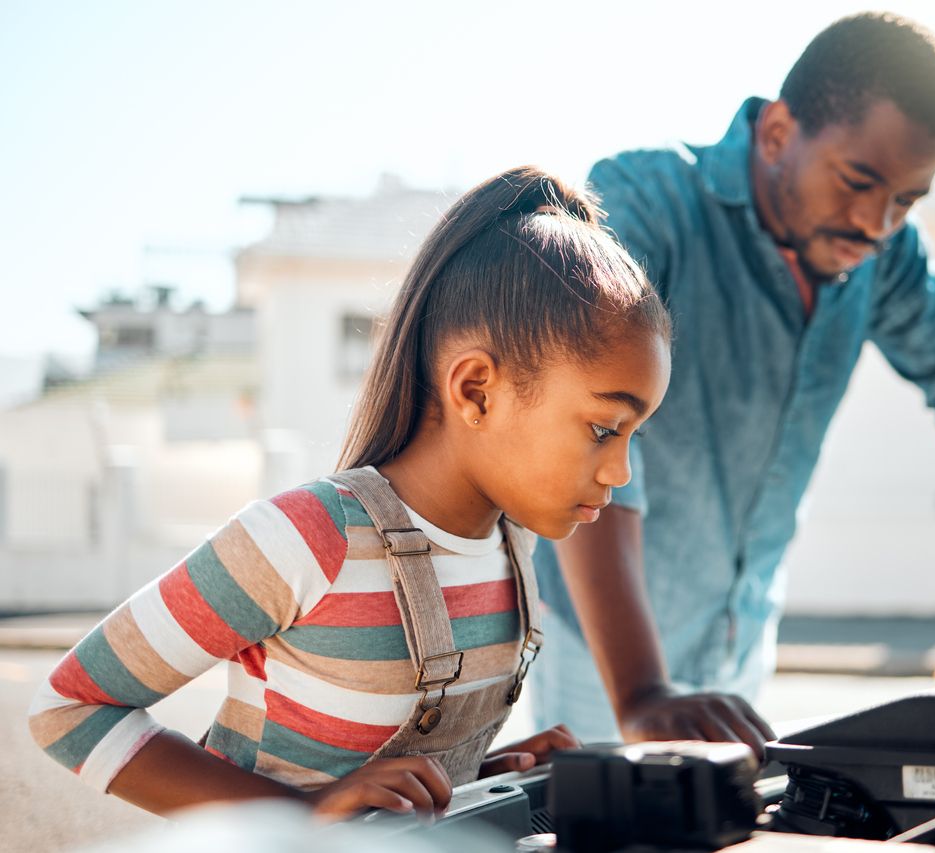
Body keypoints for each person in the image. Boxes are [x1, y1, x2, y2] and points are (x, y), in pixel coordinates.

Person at [28, 166, 672, 820]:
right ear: (476, 389)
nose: (619, 471)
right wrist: (305, 815)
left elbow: (373, 776)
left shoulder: (513, 548)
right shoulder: (307, 538)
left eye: (633, 436)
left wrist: (479, 776)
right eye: (602, 428)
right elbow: (69, 709)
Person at [530, 12, 935, 750]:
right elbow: (587, 412)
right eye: (858, 182)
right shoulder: (641, 200)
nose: (877, 223)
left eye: (907, 200)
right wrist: (642, 689)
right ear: (780, 132)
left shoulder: (887, 254)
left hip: (741, 640)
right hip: (604, 651)